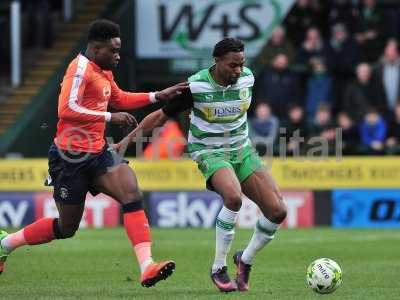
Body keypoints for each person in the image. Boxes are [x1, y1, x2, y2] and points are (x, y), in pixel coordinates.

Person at [0, 19, 188, 287]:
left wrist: (158, 96)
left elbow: (119, 97)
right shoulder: (79, 69)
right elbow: (66, 109)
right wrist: (111, 116)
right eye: (114, 51)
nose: (118, 56)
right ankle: (5, 243)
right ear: (96, 47)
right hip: (70, 157)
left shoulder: (103, 70)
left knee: (132, 193)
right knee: (67, 228)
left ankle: (147, 266)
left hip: (99, 152)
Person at [116, 38, 287, 292]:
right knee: (233, 197)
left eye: (241, 64)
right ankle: (219, 268)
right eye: (232, 65)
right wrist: (125, 142)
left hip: (242, 149)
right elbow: (160, 116)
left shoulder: (248, 78)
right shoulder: (195, 86)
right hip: (208, 150)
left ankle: (245, 260)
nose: (238, 70)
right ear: (216, 62)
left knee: (277, 212)